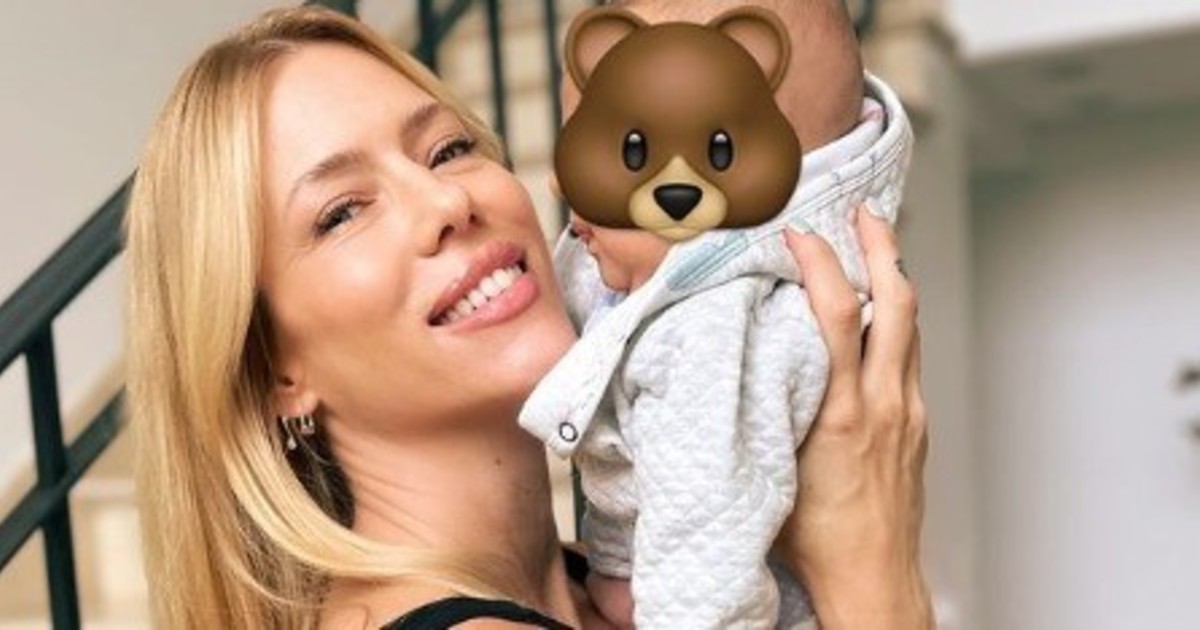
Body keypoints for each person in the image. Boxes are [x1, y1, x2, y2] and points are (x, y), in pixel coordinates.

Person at [123, 5, 930, 629]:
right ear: (273, 371)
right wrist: (872, 571)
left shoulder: (617, 589)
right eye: (342, 212)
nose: (447, 201)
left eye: (448, 149)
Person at [519, 0, 913, 627]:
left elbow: (707, 511)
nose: (563, 186)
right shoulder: (689, 286)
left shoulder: (711, 326)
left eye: (624, 151)